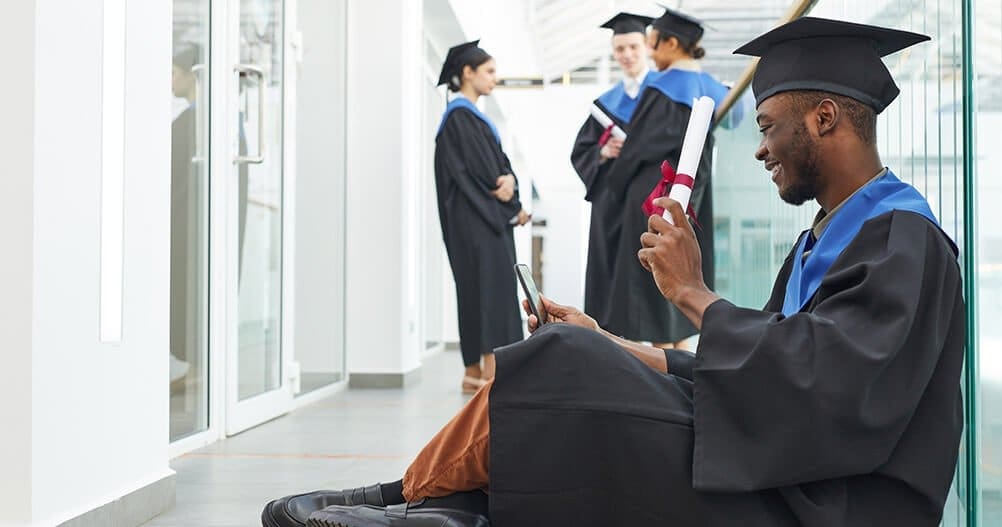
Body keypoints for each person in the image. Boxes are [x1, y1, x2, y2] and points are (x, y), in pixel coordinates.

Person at [263, 18, 965, 527]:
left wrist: (691, 292)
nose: (759, 150)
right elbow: (766, 367)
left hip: (835, 500)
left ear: (824, 118)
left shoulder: (904, 238)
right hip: (789, 464)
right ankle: (442, 506)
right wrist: (621, 344)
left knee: (571, 367)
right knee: (577, 351)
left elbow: (826, 389)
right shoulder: (828, 238)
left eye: (770, 125)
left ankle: (412, 498)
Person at [601, 7, 729, 349]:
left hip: (652, 196)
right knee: (681, 274)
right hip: (692, 194)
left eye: (653, 45)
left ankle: (661, 372)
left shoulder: (662, 90)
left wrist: (614, 185)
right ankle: (680, 358)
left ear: (672, 44)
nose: (651, 54)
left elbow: (638, 149)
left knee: (654, 279)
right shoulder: (711, 89)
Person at [433, 41, 531, 394]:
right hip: (479, 224)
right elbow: (487, 175)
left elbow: (500, 172)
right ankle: (490, 376)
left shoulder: (467, 118)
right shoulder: (461, 117)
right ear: (467, 73)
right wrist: (512, 202)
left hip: (474, 222)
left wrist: (511, 183)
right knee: (491, 292)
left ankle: (475, 372)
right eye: (488, 71)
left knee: (477, 291)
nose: (494, 78)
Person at [570, 12, 656, 326]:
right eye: (620, 49)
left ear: (647, 45)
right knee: (611, 286)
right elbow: (581, 151)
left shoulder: (662, 95)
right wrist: (603, 152)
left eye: (633, 46)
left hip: (650, 201)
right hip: (613, 208)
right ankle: (613, 351)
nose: (627, 55)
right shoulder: (605, 104)